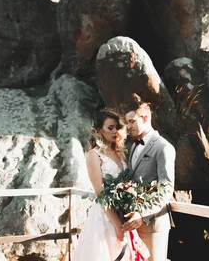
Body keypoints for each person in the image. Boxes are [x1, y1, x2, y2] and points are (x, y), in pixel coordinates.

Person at [73, 108, 149, 261]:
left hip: (124, 214)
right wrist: (116, 225)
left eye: (117, 127)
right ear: (99, 130)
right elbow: (99, 192)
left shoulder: (120, 153)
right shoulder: (93, 156)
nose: (115, 131)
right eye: (110, 127)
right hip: (106, 217)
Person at [122, 94, 176, 261]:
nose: (128, 126)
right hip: (132, 223)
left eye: (132, 121)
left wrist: (141, 213)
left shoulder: (163, 147)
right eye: (127, 122)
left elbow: (166, 188)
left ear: (145, 118)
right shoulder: (132, 146)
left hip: (153, 223)